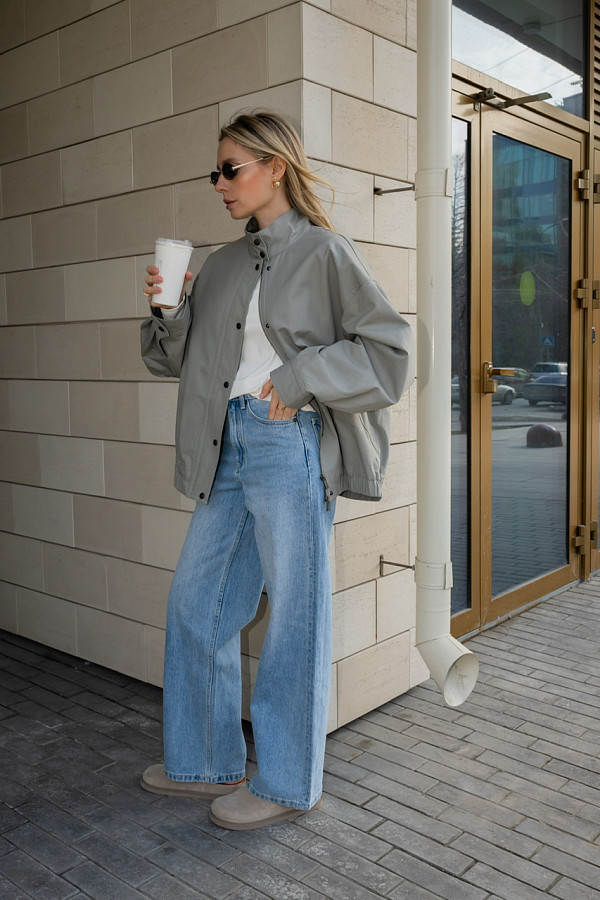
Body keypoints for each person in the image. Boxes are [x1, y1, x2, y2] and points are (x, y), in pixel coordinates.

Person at [139, 111, 414, 831]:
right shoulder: (224, 264)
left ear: (276, 168)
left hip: (287, 442)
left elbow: (390, 354)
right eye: (216, 172)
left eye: (232, 169)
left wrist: (300, 378)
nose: (220, 183)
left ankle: (289, 782)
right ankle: (206, 761)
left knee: (294, 613)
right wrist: (168, 310)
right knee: (196, 603)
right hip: (223, 446)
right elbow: (174, 361)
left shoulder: (325, 252)